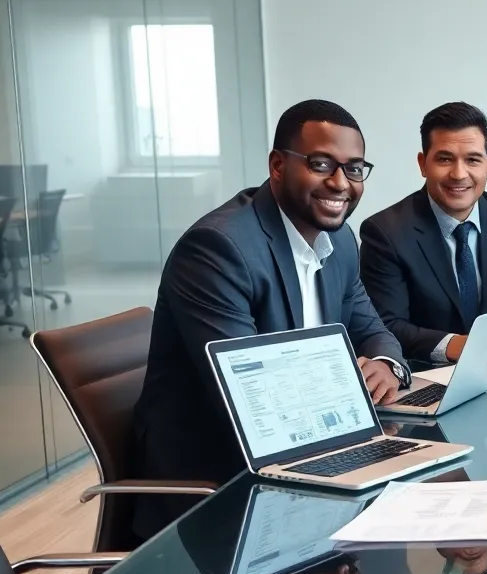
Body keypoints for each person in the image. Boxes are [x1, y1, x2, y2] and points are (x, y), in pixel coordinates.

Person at [132, 99, 410, 539]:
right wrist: (344, 389)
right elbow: (250, 394)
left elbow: (374, 330)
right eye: (321, 164)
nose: (340, 183)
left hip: (312, 452)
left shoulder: (339, 243)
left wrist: (386, 366)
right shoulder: (218, 249)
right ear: (278, 165)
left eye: (354, 169)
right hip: (222, 482)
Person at [360, 102, 487, 363]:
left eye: (473, 160)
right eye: (444, 159)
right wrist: (462, 345)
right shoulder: (385, 232)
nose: (459, 174)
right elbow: (387, 325)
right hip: (426, 374)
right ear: (423, 164)